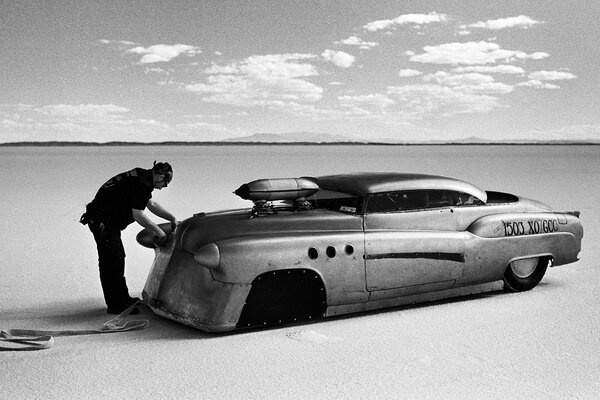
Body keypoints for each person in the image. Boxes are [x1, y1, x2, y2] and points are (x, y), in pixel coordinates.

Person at [80, 161, 178, 314]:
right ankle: (115, 305)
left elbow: (150, 204)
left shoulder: (142, 176)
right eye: (164, 184)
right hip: (101, 221)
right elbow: (138, 215)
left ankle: (123, 298)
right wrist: (160, 233)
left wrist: (172, 218)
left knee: (118, 257)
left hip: (106, 220)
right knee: (111, 260)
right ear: (160, 176)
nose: (162, 187)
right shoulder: (141, 183)